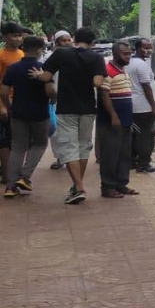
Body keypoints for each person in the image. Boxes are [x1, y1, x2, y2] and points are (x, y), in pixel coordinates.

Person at [31, 26, 106, 204]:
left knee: (69, 146)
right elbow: (97, 82)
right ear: (92, 42)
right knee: (84, 146)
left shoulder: (62, 53)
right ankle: (76, 186)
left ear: (74, 39)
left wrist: (37, 75)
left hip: (66, 108)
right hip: (88, 108)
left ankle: (78, 188)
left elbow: (46, 77)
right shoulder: (96, 57)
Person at [1, 35, 54, 197]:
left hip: (18, 112)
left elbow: (3, 92)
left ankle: (10, 187)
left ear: (23, 48)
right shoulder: (43, 68)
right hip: (39, 113)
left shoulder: (13, 68)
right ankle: (24, 177)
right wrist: (54, 98)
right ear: (39, 50)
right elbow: (50, 91)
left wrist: (9, 106)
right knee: (40, 144)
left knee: (18, 147)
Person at [96, 42, 137, 198]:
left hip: (125, 121)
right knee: (110, 154)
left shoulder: (123, 71)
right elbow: (104, 94)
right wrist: (113, 115)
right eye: (125, 54)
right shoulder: (108, 71)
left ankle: (121, 184)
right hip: (111, 121)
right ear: (115, 54)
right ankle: (108, 186)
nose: (128, 57)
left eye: (129, 54)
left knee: (124, 154)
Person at [126, 38, 155, 172]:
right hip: (144, 107)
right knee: (146, 136)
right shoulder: (141, 65)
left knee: (135, 135)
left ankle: (132, 161)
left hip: (132, 105)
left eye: (150, 47)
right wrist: (154, 107)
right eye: (146, 47)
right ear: (137, 48)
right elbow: (146, 87)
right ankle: (144, 163)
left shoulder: (129, 63)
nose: (149, 50)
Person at [0, 22, 28, 183]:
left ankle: (15, 173)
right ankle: (6, 175)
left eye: (19, 36)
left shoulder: (22, 54)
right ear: (5, 37)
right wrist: (2, 106)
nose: (18, 39)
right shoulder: (1, 56)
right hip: (5, 101)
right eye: (14, 36)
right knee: (5, 140)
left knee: (17, 140)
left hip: (20, 102)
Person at [47, 31, 73, 169]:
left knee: (71, 130)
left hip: (71, 99)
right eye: (64, 40)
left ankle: (71, 159)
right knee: (55, 132)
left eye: (69, 40)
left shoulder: (75, 57)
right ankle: (60, 158)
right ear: (57, 42)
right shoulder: (49, 58)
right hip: (54, 100)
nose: (67, 43)